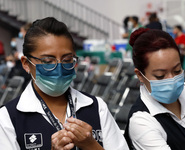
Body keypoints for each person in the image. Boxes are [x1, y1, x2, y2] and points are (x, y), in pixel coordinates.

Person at [0, 17, 129, 150]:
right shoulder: (8, 118)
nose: (59, 68)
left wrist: (91, 146)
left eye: (67, 59)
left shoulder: (96, 108)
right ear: (26, 64)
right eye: (48, 61)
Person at [124, 28, 185, 150]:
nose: (172, 79)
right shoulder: (142, 121)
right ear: (140, 75)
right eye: (160, 76)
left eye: (177, 70)